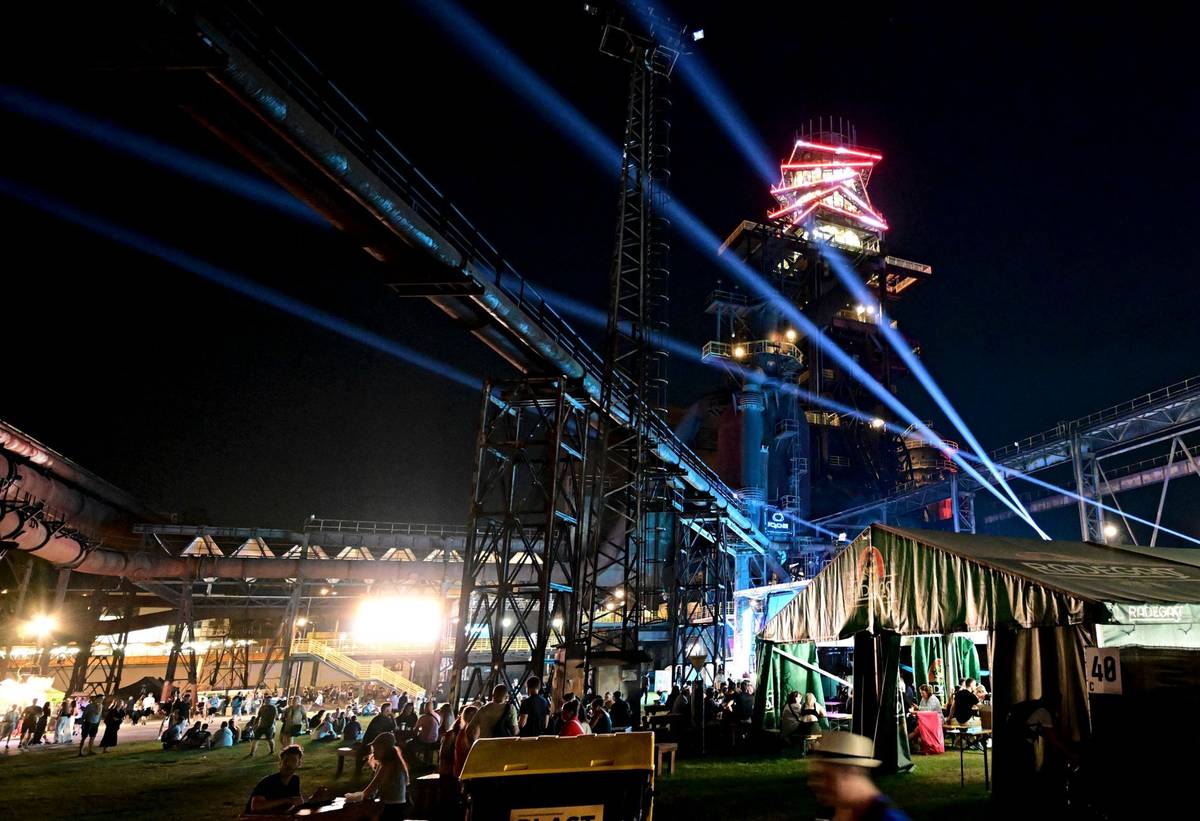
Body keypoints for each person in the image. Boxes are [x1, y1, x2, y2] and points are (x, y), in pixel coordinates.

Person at [809, 732, 910, 819]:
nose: (813, 783)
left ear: (850, 772)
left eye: (826, 776)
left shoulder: (888, 817)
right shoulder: (847, 808)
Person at [245, 744, 331, 815]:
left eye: (293, 760)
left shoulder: (294, 780)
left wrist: (313, 799)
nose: (288, 764)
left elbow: (297, 804)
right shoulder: (268, 782)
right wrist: (287, 800)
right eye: (286, 760)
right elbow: (255, 807)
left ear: (299, 764)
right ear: (280, 763)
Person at [347, 732, 409, 819]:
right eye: (373, 749)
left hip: (392, 809)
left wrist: (351, 798)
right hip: (395, 806)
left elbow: (371, 789)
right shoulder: (391, 763)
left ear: (385, 749)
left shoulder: (388, 765)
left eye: (376, 749)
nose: (373, 752)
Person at [452, 704, 481, 778]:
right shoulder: (470, 731)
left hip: (459, 769)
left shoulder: (462, 730)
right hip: (466, 772)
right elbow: (472, 752)